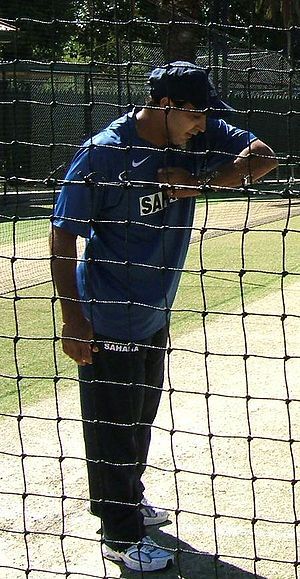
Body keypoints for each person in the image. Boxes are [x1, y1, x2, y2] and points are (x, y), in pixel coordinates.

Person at [49, 61, 277, 573]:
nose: (204, 126)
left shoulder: (195, 133)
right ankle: (121, 533)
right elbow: (63, 234)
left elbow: (262, 157)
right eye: (196, 116)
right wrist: (74, 319)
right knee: (113, 425)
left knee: (141, 418)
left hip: (154, 311)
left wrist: (198, 181)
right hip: (108, 315)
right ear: (168, 106)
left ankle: (123, 497)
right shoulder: (104, 153)